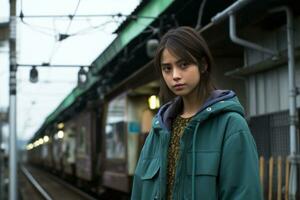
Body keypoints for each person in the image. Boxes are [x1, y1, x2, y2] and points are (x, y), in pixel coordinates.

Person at [131, 26, 262, 200]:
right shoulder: (159, 129)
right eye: (167, 68)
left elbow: (244, 194)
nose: (175, 75)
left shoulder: (231, 125)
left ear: (203, 65)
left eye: (183, 65)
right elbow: (139, 191)